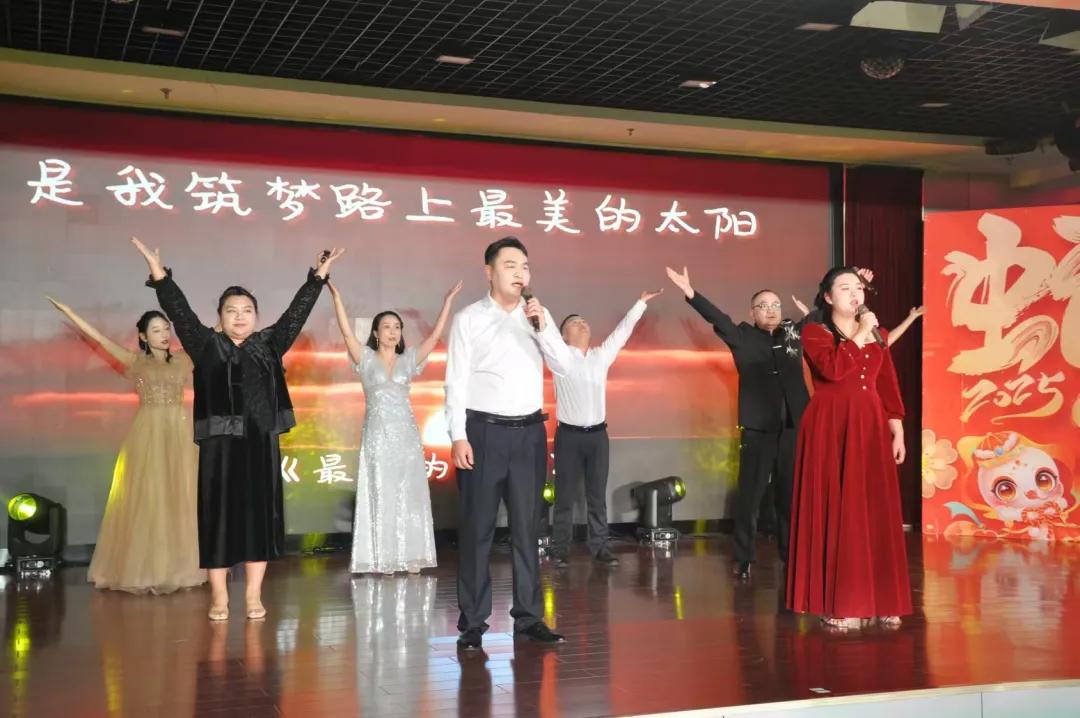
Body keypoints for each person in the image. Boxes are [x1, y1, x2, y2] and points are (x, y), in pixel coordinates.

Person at [132, 237, 344, 621]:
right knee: (217, 519)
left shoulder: (269, 344)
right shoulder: (206, 345)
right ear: (220, 316)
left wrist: (317, 279)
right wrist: (160, 275)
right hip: (220, 447)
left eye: (247, 311)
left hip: (260, 444)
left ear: (257, 316)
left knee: (259, 520)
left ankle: (253, 596)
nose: (240, 317)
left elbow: (296, 314)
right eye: (231, 311)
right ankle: (219, 597)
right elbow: (179, 311)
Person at [446, 236, 568, 650]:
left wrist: (543, 326)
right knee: (477, 530)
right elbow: (455, 381)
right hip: (484, 433)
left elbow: (563, 366)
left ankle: (529, 617)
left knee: (527, 530)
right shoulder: (468, 319)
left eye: (525, 267)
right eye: (511, 265)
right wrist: (457, 435)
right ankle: (473, 622)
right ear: (489, 272)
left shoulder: (538, 317)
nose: (520, 273)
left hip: (530, 433)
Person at [48, 298, 205, 594]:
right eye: (156, 330)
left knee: (180, 495)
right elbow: (100, 339)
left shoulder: (184, 360)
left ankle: (180, 566)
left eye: (166, 328)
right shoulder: (136, 362)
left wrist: (228, 312)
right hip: (148, 434)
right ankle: (146, 568)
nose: (164, 334)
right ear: (143, 336)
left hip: (179, 433)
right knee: (148, 497)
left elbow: (209, 338)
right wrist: (69, 312)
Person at [786, 266, 911, 630]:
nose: (855, 294)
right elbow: (833, 370)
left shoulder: (877, 333)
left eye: (858, 288)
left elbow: (886, 381)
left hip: (870, 424)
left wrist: (897, 427)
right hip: (831, 425)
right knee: (839, 509)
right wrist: (859, 334)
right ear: (827, 297)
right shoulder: (815, 332)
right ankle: (838, 601)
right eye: (845, 288)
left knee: (875, 509)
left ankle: (883, 599)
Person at [665, 266, 809, 581]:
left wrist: (856, 284)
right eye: (763, 306)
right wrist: (691, 293)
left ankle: (790, 555)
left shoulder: (793, 335)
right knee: (750, 498)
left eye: (776, 305)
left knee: (789, 498)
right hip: (758, 431)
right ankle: (744, 557)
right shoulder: (744, 337)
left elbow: (827, 316)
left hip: (792, 429)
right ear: (752, 312)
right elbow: (719, 319)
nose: (771, 310)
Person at [327, 279, 462, 575]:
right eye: (386, 326)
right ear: (376, 333)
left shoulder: (409, 359)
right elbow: (346, 332)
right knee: (381, 491)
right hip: (377, 434)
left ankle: (411, 555)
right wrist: (336, 296)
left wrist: (447, 304)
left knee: (408, 492)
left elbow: (434, 337)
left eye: (397, 327)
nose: (393, 331)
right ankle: (384, 557)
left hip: (406, 435)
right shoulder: (364, 358)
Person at [546, 290, 663, 568]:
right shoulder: (560, 358)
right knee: (564, 496)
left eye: (584, 321)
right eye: (574, 323)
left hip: (598, 436)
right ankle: (560, 549)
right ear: (563, 336)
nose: (582, 324)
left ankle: (599, 547)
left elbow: (621, 333)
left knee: (596, 496)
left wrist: (640, 303)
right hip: (568, 437)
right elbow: (546, 332)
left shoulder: (600, 356)